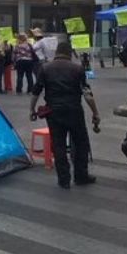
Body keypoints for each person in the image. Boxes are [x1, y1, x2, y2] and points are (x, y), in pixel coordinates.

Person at [31, 42, 101, 189]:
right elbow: (87, 94)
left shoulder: (45, 68)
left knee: (58, 144)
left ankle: (63, 179)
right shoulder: (78, 69)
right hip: (74, 110)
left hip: (54, 112)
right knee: (81, 143)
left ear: (57, 52)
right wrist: (95, 113)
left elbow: (36, 91)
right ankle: (81, 176)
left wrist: (32, 109)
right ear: (69, 53)